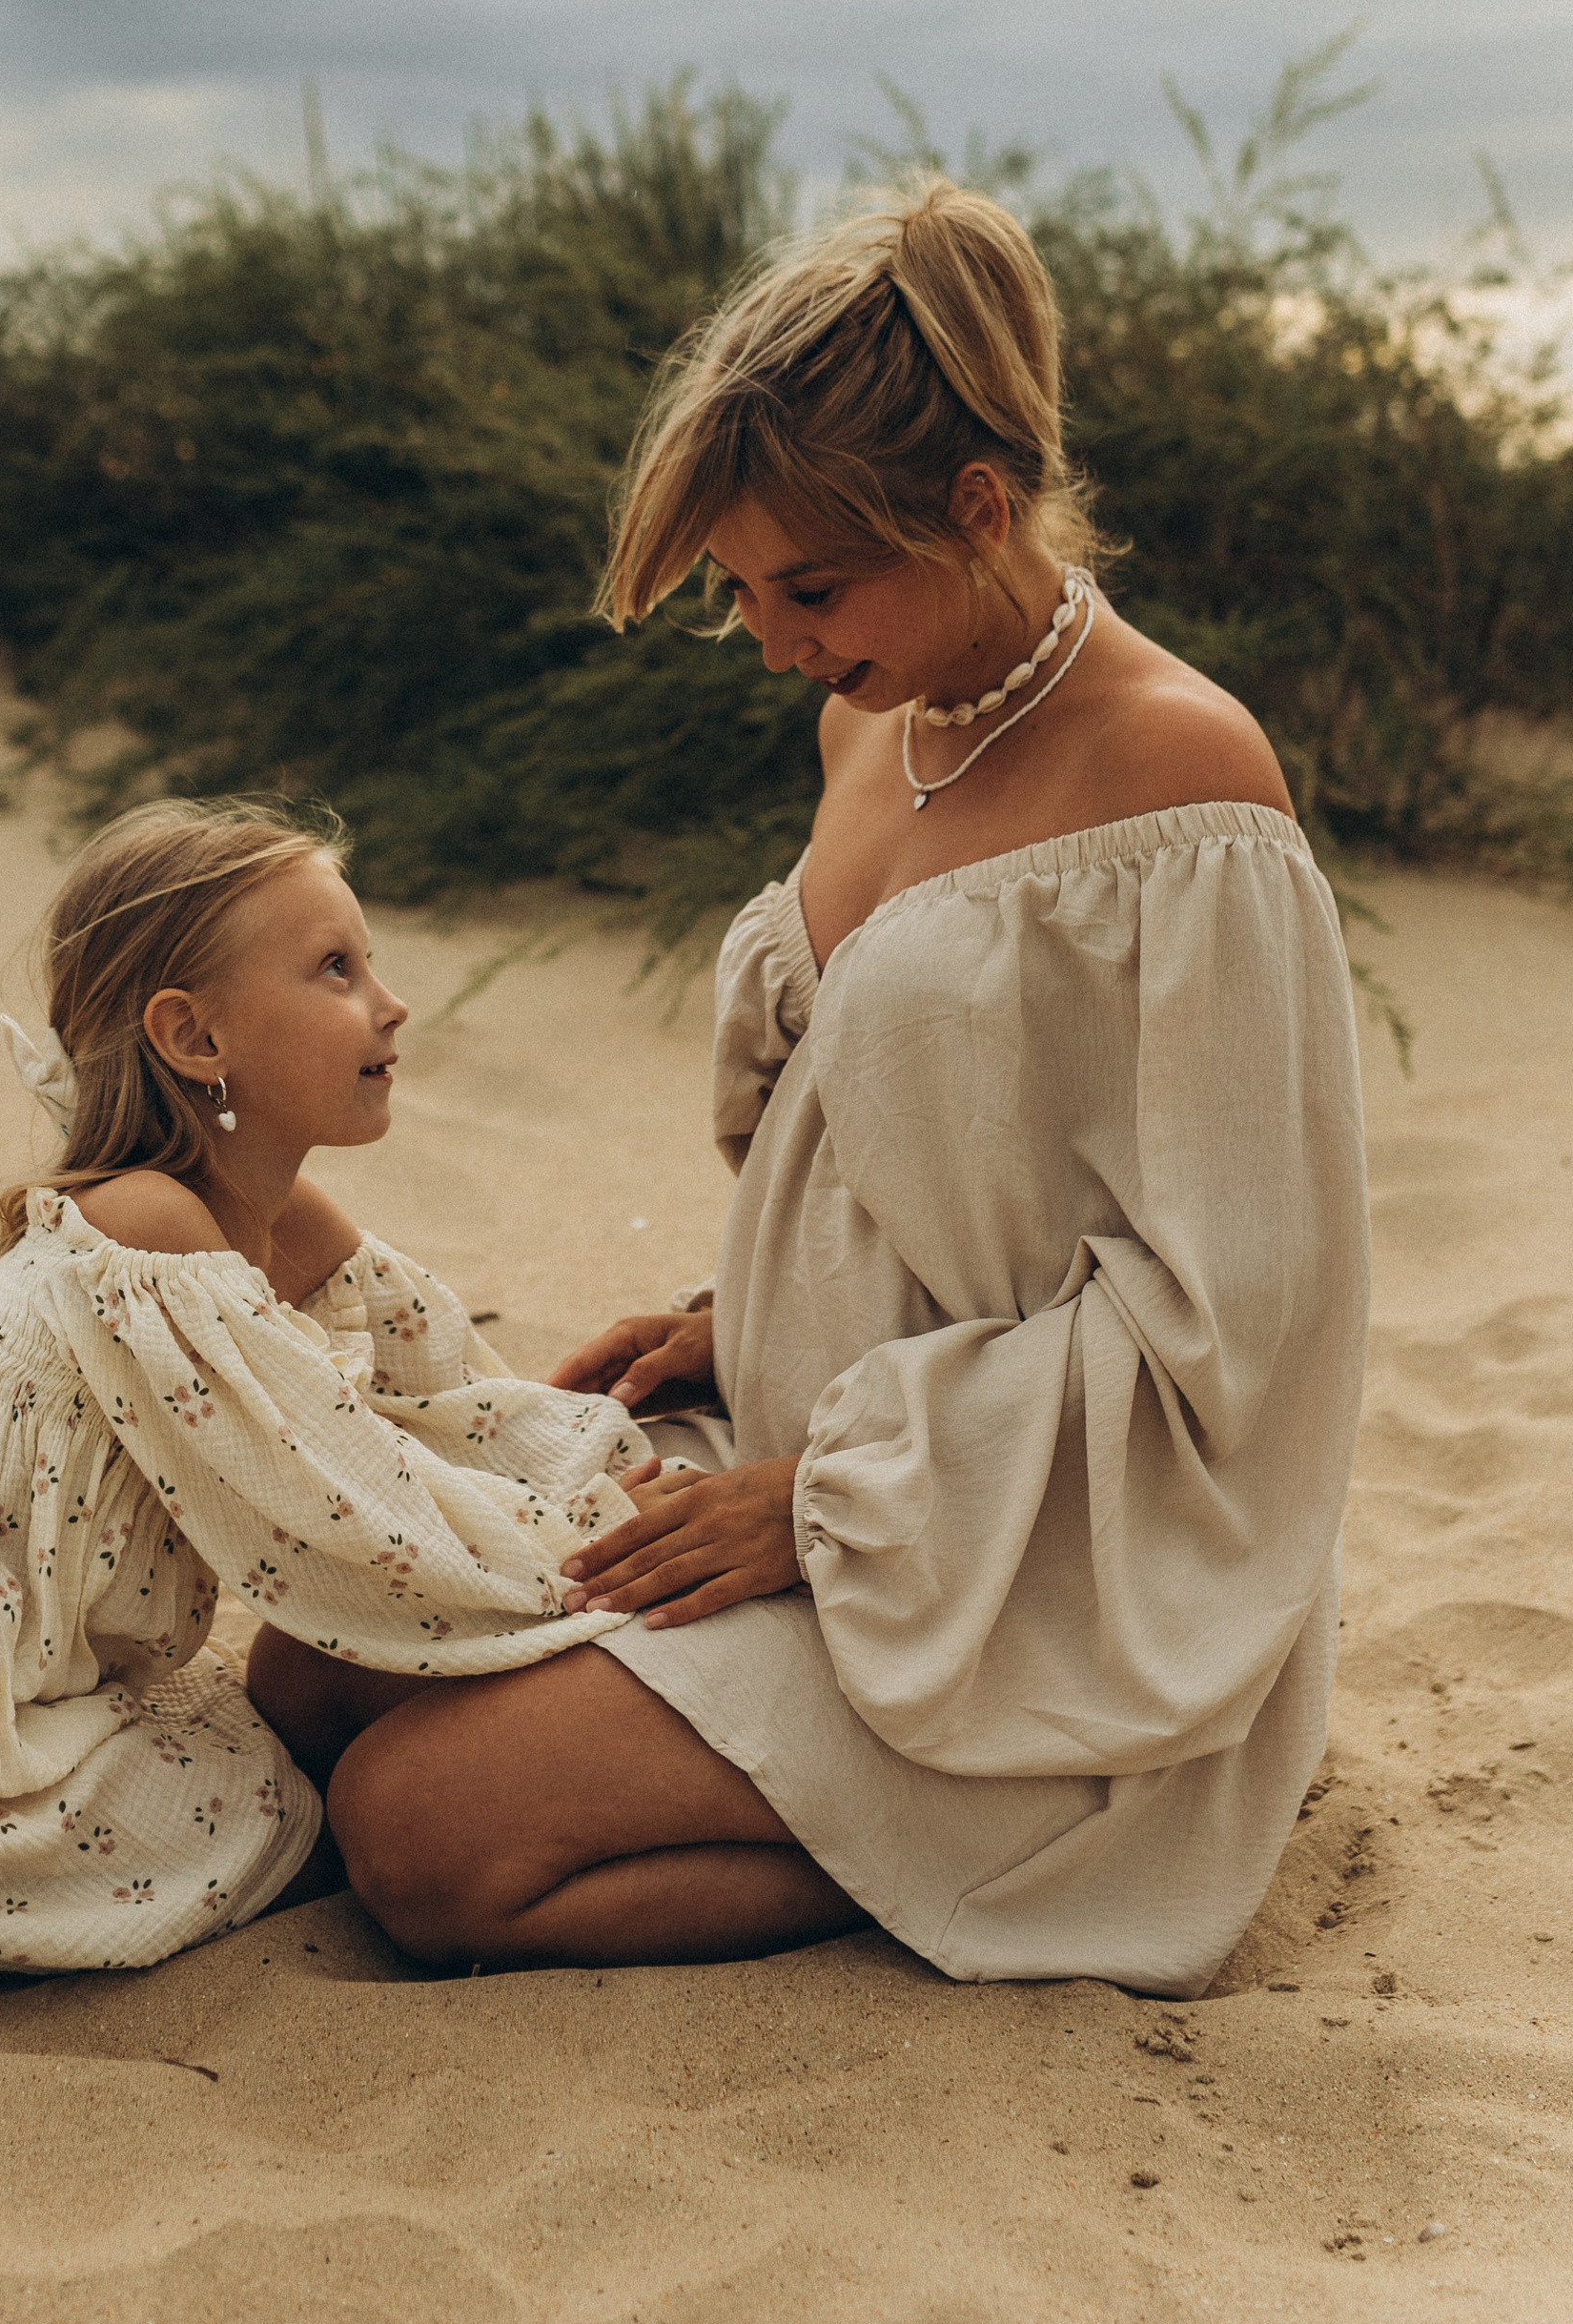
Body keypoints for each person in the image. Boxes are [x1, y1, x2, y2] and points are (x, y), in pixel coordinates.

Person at [255, 174, 1372, 1997]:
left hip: (1013, 1547)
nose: (775, 637)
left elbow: (1245, 1323)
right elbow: (906, 1120)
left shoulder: (1180, 776)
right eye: (741, 593)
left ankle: (982, 1847)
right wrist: (735, 1318)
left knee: (425, 1836)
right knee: (308, 1671)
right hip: (791, 1431)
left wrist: (821, 1497)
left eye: (812, 584)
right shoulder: (872, 712)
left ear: (981, 509)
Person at [0, 800, 654, 2009]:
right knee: (282, 1815)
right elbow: (353, 1509)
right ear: (192, 1036)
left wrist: (612, 1472)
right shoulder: (146, 1230)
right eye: (334, 969)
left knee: (289, 1719)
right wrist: (597, 1555)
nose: (390, 1002)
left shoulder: (279, 1228)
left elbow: (452, 1401)